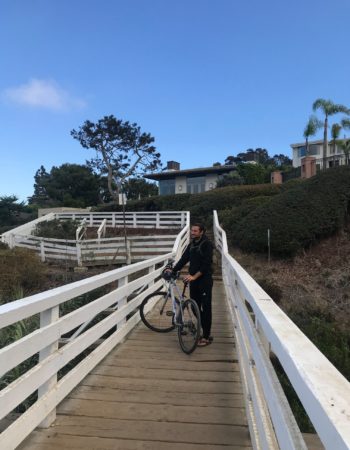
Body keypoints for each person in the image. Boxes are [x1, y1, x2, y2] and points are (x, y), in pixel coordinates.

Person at [171, 223, 213, 347]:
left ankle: (206, 336)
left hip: (204, 280)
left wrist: (194, 276)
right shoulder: (192, 244)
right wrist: (173, 270)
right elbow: (184, 259)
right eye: (192, 231)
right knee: (195, 306)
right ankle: (202, 328)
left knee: (206, 309)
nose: (192, 233)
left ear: (202, 232)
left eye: (195, 231)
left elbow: (206, 265)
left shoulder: (207, 244)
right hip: (193, 280)